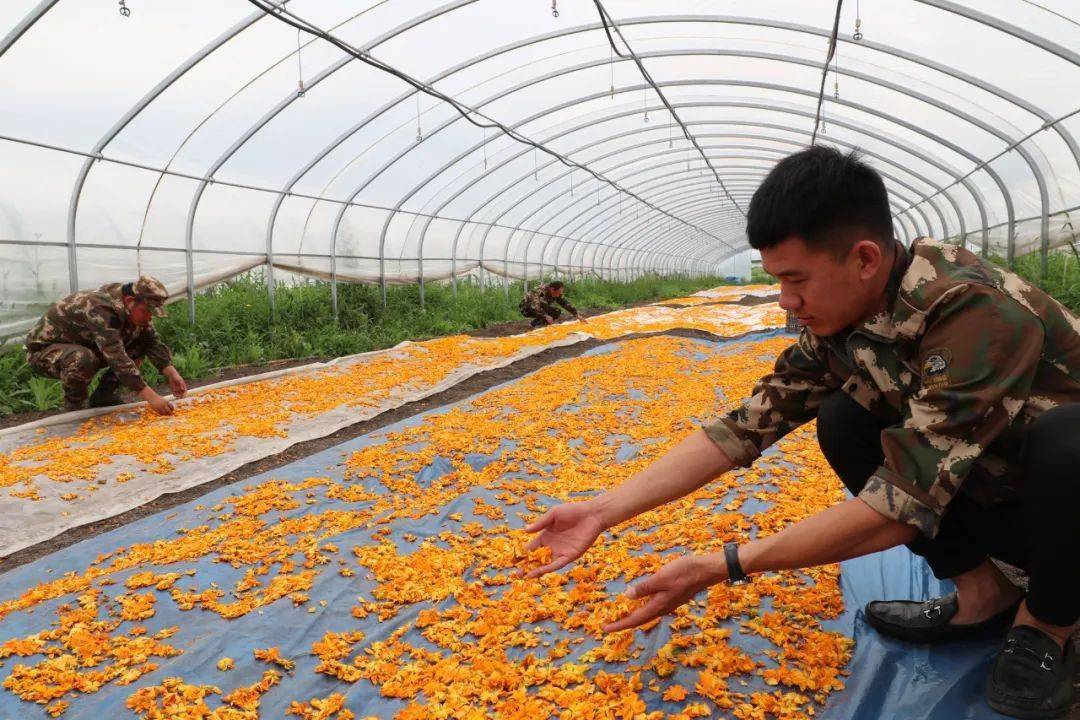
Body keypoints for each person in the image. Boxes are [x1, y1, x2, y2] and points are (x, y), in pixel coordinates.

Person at [523, 147, 1079, 719]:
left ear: (864, 258)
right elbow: (745, 426)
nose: (786, 302)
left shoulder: (973, 310)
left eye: (796, 279)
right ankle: (984, 594)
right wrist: (601, 510)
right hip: (998, 484)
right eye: (777, 281)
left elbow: (901, 504)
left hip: (1059, 502)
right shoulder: (850, 316)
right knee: (843, 417)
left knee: (1071, 442)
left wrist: (725, 565)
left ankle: (1047, 625)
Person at [25, 276, 187, 416]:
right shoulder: (100, 308)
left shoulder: (132, 307)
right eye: (146, 311)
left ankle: (103, 396)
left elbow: (151, 341)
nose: (149, 317)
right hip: (44, 352)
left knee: (138, 346)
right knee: (82, 358)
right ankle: (75, 408)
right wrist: (151, 397)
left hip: (85, 345)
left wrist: (171, 374)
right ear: (130, 301)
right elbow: (115, 355)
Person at [519, 280, 587, 327]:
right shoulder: (539, 291)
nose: (558, 295)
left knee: (556, 311)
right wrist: (546, 315)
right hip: (527, 308)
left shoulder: (556, 292)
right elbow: (535, 306)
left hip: (540, 307)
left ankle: (536, 324)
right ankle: (539, 324)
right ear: (552, 289)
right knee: (543, 307)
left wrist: (576, 314)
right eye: (558, 293)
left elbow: (564, 303)